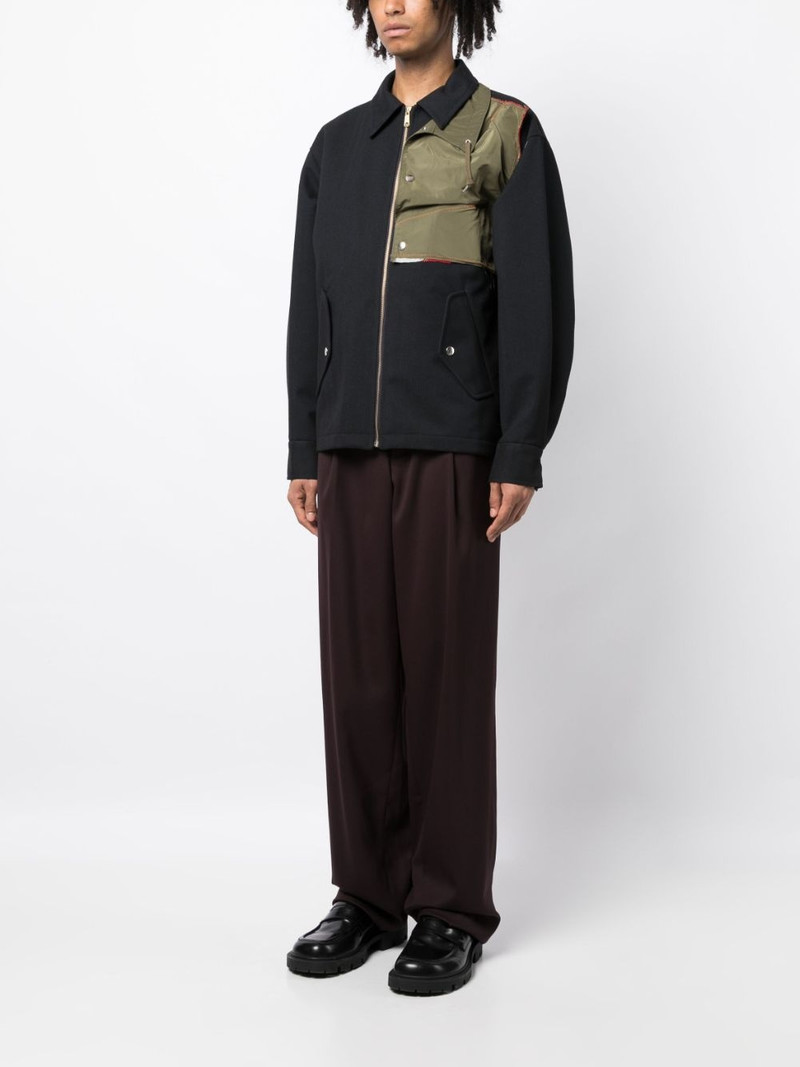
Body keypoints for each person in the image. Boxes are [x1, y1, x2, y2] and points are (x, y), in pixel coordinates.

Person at [284, 0, 574, 996]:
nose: (394, 3)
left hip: (454, 445)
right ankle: (366, 894)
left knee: (445, 681)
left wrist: (518, 448)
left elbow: (536, 301)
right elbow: (307, 308)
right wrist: (303, 442)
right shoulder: (337, 147)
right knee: (358, 680)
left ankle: (448, 905)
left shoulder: (504, 130)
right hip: (346, 451)